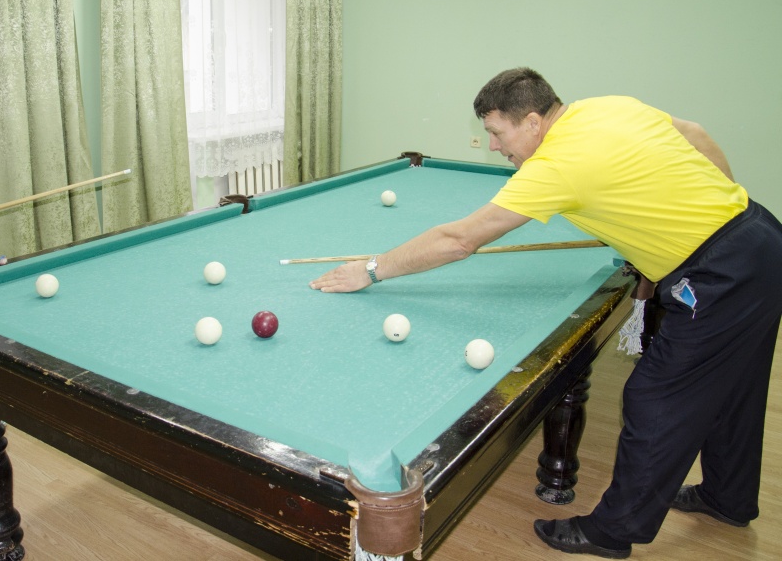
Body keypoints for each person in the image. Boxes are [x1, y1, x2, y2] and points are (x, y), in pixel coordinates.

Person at [310, 68, 782, 558]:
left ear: (533, 122)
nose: (493, 145)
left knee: (655, 399)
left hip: (719, 277)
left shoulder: (554, 166)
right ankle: (728, 497)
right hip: (760, 237)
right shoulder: (606, 106)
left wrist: (371, 269)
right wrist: (715, 217)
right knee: (737, 385)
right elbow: (696, 135)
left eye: (498, 132)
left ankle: (613, 532)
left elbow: (459, 240)